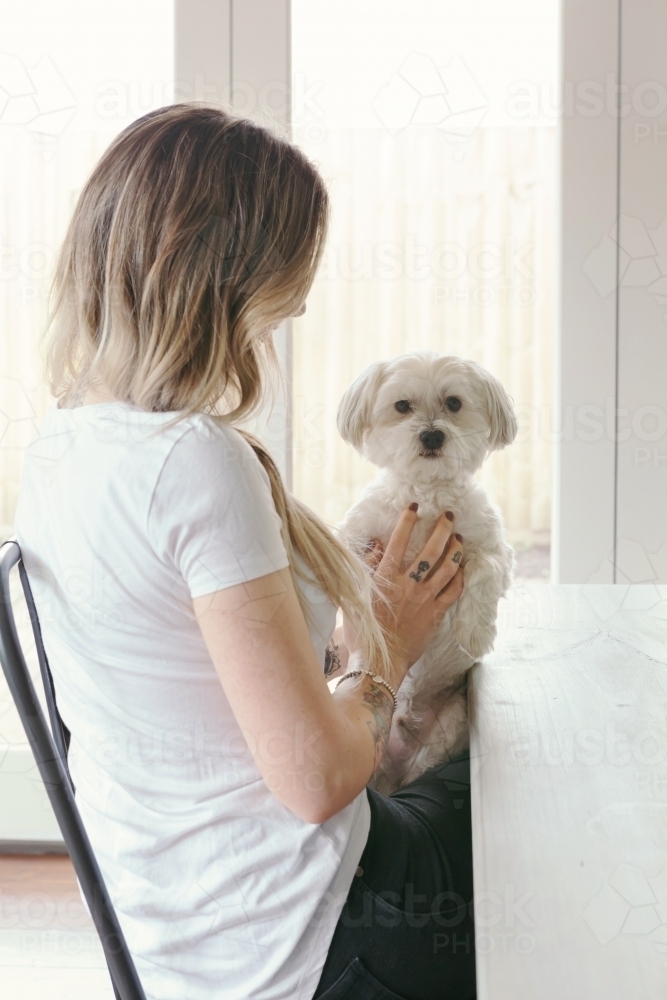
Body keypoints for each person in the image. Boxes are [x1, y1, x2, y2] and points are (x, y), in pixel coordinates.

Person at [15, 103, 475, 1000]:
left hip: (183, 931)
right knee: (554, 796)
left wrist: (345, 654)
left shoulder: (61, 446)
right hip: (299, 942)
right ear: (229, 275)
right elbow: (313, 783)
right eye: (287, 280)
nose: (296, 305)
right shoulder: (193, 460)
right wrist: (384, 648)